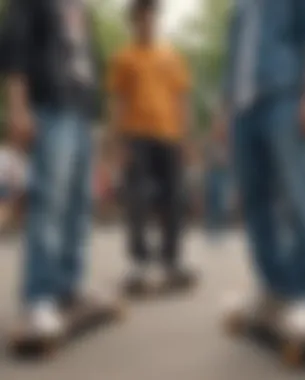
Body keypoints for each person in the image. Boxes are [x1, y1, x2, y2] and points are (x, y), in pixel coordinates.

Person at [215, 0, 305, 335]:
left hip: (285, 95)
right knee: (255, 202)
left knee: (299, 195)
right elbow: (234, 55)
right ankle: (273, 287)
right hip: (244, 107)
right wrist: (224, 110)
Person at [3, 0, 102, 338]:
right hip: (51, 102)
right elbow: (15, 43)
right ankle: (39, 297)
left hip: (81, 106)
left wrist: (96, 114)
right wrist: (17, 106)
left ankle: (68, 286)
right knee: (50, 202)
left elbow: (88, 58)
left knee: (79, 203)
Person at [107, 0, 194, 289]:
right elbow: (117, 101)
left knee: (174, 198)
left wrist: (186, 139)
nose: (147, 22)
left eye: (151, 17)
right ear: (133, 21)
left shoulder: (172, 56)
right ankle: (139, 261)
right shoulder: (124, 57)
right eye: (141, 17)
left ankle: (171, 259)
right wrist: (117, 142)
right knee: (137, 200)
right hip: (136, 136)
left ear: (157, 19)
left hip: (169, 136)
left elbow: (182, 99)